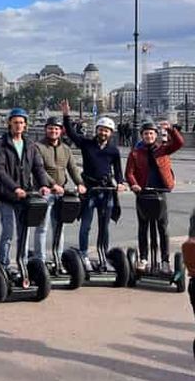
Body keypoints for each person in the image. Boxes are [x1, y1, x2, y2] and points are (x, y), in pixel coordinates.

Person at [60, 99, 126, 271]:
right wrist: (66, 116)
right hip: (90, 189)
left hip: (106, 190)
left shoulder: (113, 150)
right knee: (86, 225)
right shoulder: (87, 143)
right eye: (101, 129)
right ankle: (83, 254)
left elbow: (118, 171)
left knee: (104, 226)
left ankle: (103, 254)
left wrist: (120, 183)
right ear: (96, 130)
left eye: (106, 131)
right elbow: (72, 134)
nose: (103, 133)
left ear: (110, 133)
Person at [0, 108, 51, 271]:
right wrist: (15, 188)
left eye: (21, 122)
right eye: (15, 122)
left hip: (25, 196)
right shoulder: (0, 144)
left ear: (25, 125)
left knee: (23, 232)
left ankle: (22, 263)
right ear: (9, 123)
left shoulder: (30, 145)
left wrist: (44, 184)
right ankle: (4, 264)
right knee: (8, 232)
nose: (18, 125)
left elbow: (38, 167)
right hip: (6, 196)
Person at [125, 120, 184, 272]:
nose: (148, 136)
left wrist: (171, 129)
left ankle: (164, 261)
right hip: (143, 193)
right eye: (146, 133)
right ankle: (144, 258)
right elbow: (129, 173)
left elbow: (179, 143)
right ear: (142, 136)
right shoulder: (135, 153)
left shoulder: (163, 149)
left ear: (156, 135)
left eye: (151, 133)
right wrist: (134, 185)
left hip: (160, 192)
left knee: (162, 227)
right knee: (143, 227)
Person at [34, 116, 86, 262]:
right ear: (46, 129)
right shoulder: (38, 147)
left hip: (61, 192)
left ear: (61, 131)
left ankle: (58, 258)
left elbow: (73, 168)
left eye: (56, 128)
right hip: (44, 191)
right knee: (42, 228)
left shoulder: (66, 149)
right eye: (50, 128)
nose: (53, 131)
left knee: (59, 228)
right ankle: (40, 259)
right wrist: (52, 185)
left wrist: (80, 183)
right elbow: (39, 170)